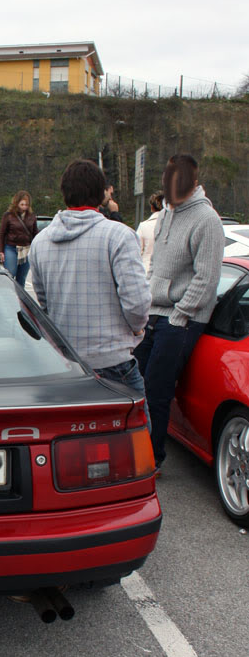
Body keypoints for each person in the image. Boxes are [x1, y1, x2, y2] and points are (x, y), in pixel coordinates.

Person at [29, 159, 151, 409]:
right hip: (114, 364)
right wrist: (137, 329)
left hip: (66, 364)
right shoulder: (119, 235)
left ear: (65, 194)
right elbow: (137, 304)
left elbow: (44, 304)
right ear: (101, 194)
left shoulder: (40, 242)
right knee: (136, 442)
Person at [135, 154, 224, 472]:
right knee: (135, 384)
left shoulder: (207, 219)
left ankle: (152, 459)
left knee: (158, 388)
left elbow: (207, 278)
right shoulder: (166, 215)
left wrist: (180, 314)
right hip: (154, 312)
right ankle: (136, 450)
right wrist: (145, 304)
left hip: (183, 317)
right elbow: (155, 267)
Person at [0, 190, 38, 288]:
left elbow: (35, 233)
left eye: (26, 204)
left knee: (21, 278)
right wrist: (1, 251)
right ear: (17, 203)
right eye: (22, 204)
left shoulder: (32, 216)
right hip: (11, 247)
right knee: (10, 274)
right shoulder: (8, 215)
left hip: (26, 249)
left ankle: (20, 300)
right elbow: (1, 233)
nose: (24, 207)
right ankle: (7, 296)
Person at [136, 191, 164, 274]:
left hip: (146, 270)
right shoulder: (173, 224)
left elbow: (137, 251)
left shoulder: (143, 226)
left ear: (151, 207)